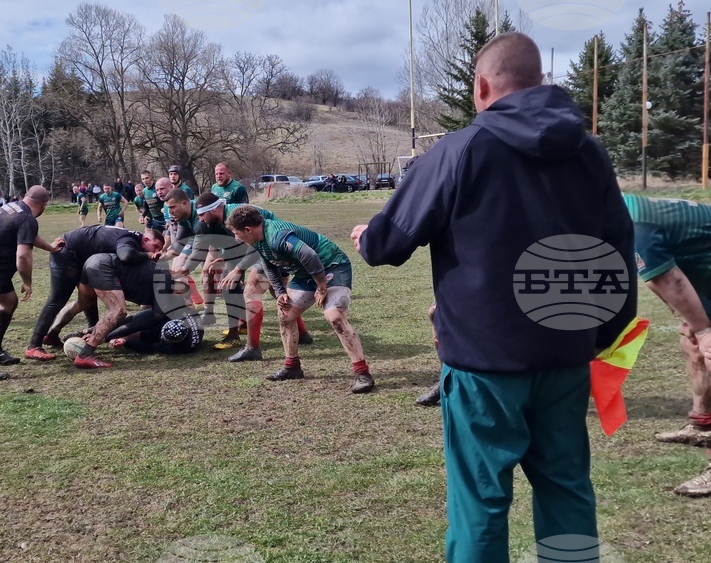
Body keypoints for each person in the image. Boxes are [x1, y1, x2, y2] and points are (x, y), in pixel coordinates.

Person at [351, 33, 636, 561]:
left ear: (481, 85)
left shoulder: (460, 149)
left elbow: (386, 246)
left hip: (485, 365)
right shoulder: (590, 154)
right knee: (567, 488)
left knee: (480, 502)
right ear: (541, 82)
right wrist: (600, 338)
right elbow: (618, 250)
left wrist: (367, 234)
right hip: (566, 356)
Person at [228, 206, 373, 394]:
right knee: (286, 313)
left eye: (236, 233)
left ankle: (363, 374)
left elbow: (309, 255)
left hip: (332, 266)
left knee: (334, 316)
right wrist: (280, 291)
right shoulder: (257, 239)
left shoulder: (277, 236)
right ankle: (292, 367)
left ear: (248, 229)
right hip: (306, 274)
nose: (235, 238)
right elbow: (268, 264)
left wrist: (321, 287)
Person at [622, 194, 711, 497]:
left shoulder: (634, 222)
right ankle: (703, 424)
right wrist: (692, 323)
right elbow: (656, 276)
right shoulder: (624, 207)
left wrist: (702, 328)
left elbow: (666, 279)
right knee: (693, 347)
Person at [165, 190, 312, 358]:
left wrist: (238, 269)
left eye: (202, 215)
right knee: (240, 286)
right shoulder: (212, 222)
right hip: (255, 248)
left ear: (213, 210)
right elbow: (200, 250)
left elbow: (256, 245)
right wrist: (183, 270)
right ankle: (301, 335)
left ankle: (250, 346)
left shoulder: (237, 217)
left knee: (253, 292)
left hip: (271, 248)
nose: (200, 220)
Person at [0, 186, 62, 381]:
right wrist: (27, 282)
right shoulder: (27, 218)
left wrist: (50, 248)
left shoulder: (13, 207)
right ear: (44, 204)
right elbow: (23, 256)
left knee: (9, 301)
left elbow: (28, 236)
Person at [25, 225, 165, 359]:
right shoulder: (130, 240)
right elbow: (126, 256)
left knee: (86, 300)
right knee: (57, 299)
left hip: (81, 257)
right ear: (146, 240)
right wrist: (147, 255)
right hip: (67, 252)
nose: (156, 251)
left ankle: (55, 335)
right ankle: (34, 344)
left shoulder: (131, 238)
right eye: (156, 246)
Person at [53, 253, 190, 368]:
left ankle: (77, 333)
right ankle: (85, 354)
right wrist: (105, 337)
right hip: (105, 267)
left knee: (85, 303)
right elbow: (140, 322)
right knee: (118, 312)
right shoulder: (166, 283)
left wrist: (99, 334)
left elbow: (135, 320)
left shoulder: (162, 282)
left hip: (94, 262)